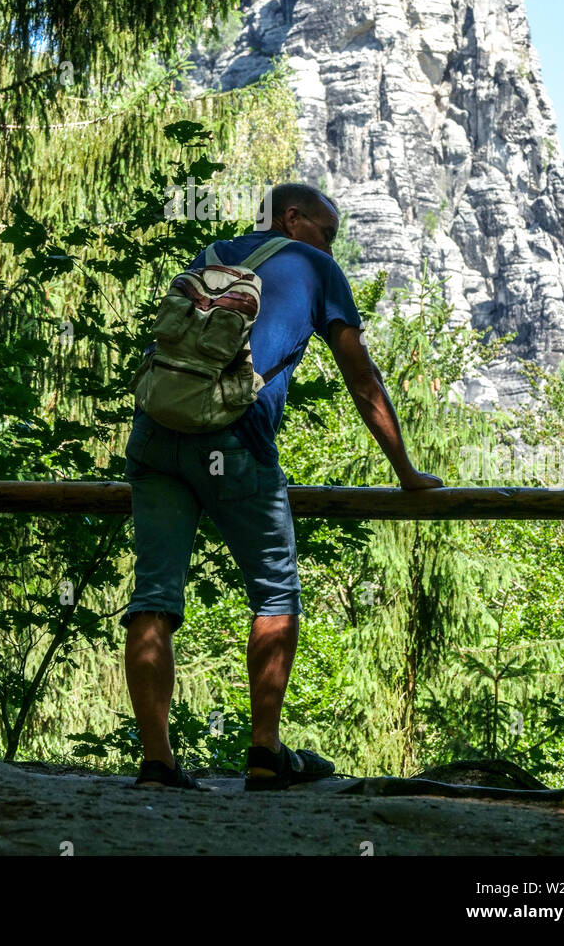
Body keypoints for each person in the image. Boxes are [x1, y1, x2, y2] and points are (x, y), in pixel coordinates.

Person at [122, 182, 444, 791]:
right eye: (327, 232)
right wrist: (405, 473)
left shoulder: (213, 251)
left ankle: (157, 764)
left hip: (158, 434)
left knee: (155, 594)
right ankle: (265, 754)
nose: (332, 246)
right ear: (293, 219)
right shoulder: (316, 268)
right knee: (274, 591)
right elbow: (362, 376)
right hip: (235, 444)